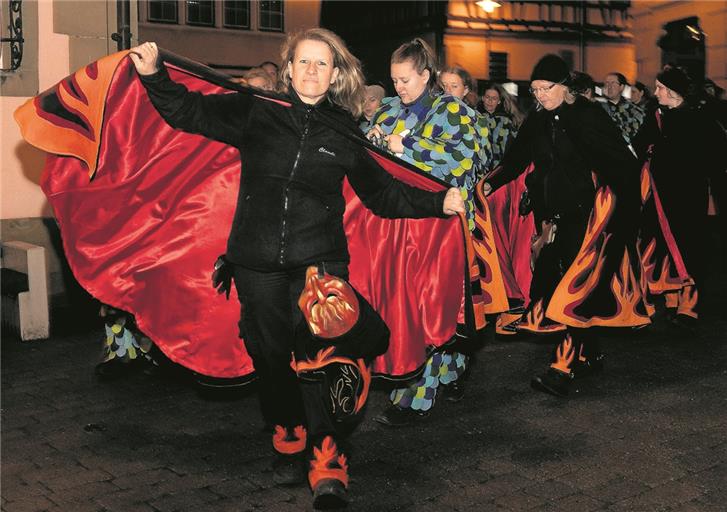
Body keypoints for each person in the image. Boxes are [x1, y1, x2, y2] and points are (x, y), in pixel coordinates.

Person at [129, 29, 465, 509]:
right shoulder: (258, 111)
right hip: (256, 261)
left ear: (335, 74)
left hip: (319, 263)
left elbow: (382, 193)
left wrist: (439, 203)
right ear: (288, 69)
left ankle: (328, 458)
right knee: (270, 355)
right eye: (303, 62)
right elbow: (189, 111)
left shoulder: (344, 129)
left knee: (319, 358)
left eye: (321, 64)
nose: (311, 71)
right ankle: (288, 429)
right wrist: (153, 74)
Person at [482, 54, 651, 397]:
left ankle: (562, 366)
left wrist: (624, 215)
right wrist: (490, 183)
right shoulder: (538, 121)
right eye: (535, 90)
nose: (540, 96)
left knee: (571, 292)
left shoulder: (588, 117)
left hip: (588, 219)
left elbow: (621, 165)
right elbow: (516, 158)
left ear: (564, 87)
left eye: (546, 89)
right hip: (553, 218)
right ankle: (590, 353)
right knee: (557, 286)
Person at [364, 39, 480, 425]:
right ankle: (446, 372)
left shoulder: (455, 112)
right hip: (399, 228)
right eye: (394, 80)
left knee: (434, 307)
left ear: (426, 75)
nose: (399, 87)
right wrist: (375, 142)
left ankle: (418, 397)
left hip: (441, 229)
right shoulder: (387, 110)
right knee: (410, 309)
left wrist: (407, 145)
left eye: (406, 80)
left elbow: (464, 162)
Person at [633, 66, 727, 330]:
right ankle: (672, 300)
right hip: (658, 196)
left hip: (688, 195)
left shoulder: (700, 118)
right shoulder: (656, 115)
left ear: (673, 92)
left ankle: (689, 306)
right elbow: (640, 145)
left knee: (689, 247)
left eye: (660, 87)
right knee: (661, 246)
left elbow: (715, 155)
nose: (656, 92)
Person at [601, 72, 645, 145]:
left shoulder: (634, 110)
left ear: (621, 87)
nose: (609, 86)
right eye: (607, 83)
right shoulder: (598, 108)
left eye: (613, 83)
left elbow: (629, 136)